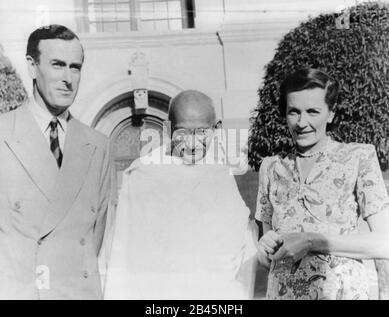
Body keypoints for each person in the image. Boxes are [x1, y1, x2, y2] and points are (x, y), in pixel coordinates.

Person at [103, 90, 257, 299]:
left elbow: (239, 241)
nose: (192, 144)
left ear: (217, 129)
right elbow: (122, 250)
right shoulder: (144, 173)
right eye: (183, 132)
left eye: (202, 132)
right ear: (168, 129)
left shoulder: (221, 173)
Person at [0, 25, 115, 299]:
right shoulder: (4, 134)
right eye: (57, 65)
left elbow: (98, 235)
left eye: (75, 67)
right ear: (31, 66)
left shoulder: (99, 145)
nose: (68, 78)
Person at [255, 68, 389, 300]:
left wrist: (312, 241)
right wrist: (264, 248)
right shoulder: (271, 168)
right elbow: (267, 259)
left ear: (331, 114)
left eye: (313, 111)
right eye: (293, 112)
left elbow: (384, 243)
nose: (302, 122)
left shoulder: (358, 157)